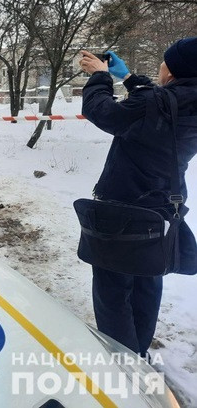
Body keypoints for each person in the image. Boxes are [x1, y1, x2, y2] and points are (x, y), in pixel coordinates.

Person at [78, 38, 197, 356]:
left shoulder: (156, 103)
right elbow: (159, 102)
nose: (160, 66)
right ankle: (139, 353)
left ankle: (124, 365)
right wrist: (128, 78)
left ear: (171, 70)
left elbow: (101, 112)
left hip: (124, 211)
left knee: (113, 292)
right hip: (163, 211)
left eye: (164, 61)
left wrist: (100, 76)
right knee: (147, 281)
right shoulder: (184, 101)